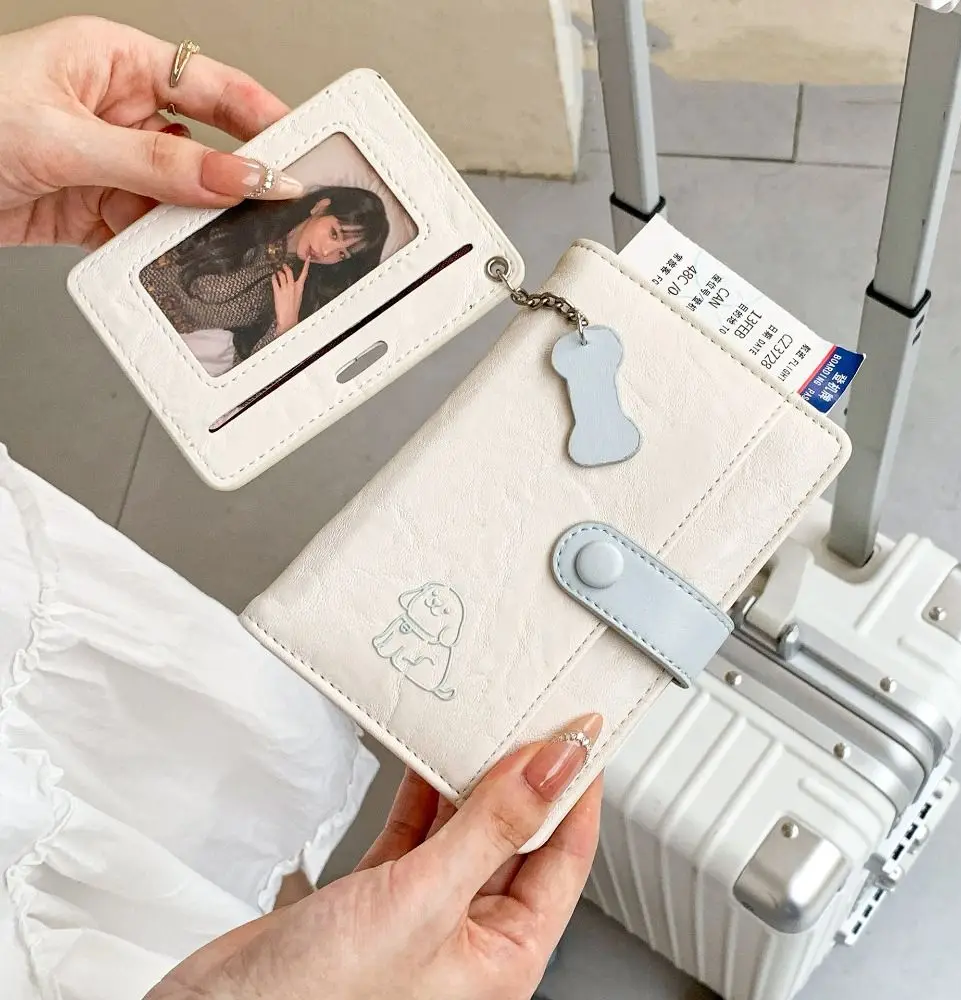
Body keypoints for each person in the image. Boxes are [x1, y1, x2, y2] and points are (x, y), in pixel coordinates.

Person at [0, 15, 603, 1000]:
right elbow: (204, 330)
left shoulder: (284, 277)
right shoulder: (239, 271)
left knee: (207, 744)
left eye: (348, 246)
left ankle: (294, 912)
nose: (333, 246)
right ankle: (304, 934)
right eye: (338, 229)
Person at [140, 185, 391, 374]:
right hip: (134, 279)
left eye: (342, 254)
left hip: (154, 349)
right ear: (320, 207)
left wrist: (284, 328)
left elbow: (246, 375)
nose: (326, 252)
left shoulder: (298, 295)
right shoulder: (257, 208)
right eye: (334, 234)